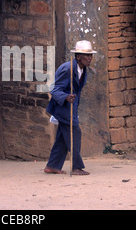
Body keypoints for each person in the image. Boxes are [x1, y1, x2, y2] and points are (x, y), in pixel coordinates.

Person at [44, 40, 96, 176]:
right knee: (75, 134)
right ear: (78, 57)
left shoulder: (84, 70)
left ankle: (52, 165)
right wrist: (66, 97)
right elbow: (55, 90)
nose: (90, 58)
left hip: (71, 108)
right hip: (63, 108)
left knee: (62, 138)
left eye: (91, 55)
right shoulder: (67, 69)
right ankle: (77, 167)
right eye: (87, 56)